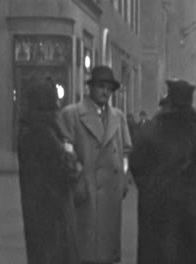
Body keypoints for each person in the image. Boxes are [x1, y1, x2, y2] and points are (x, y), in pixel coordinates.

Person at [129, 79, 196, 264]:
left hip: (157, 206)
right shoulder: (193, 126)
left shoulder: (155, 125)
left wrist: (148, 188)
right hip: (188, 205)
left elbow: (136, 162)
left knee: (158, 253)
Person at [57, 65, 132, 264]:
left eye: (109, 88)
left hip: (111, 192)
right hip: (86, 189)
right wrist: (78, 177)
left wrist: (124, 177)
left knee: (107, 251)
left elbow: (125, 151)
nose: (105, 92)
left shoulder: (118, 117)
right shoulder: (71, 114)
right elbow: (66, 149)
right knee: (86, 250)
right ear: (90, 88)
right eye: (100, 86)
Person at [17, 77, 80, 264]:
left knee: (39, 252)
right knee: (56, 254)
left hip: (35, 206)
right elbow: (69, 170)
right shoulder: (47, 134)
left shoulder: (27, 130)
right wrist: (70, 153)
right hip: (54, 209)